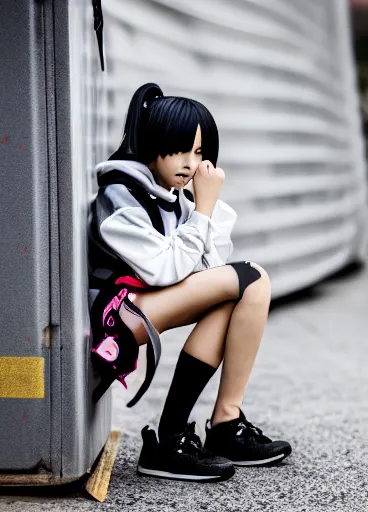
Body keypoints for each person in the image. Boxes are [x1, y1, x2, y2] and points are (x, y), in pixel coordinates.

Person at [87, 82, 292, 483]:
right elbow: (164, 271)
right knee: (251, 277)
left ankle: (218, 426)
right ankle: (184, 436)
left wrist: (203, 209)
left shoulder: (172, 198)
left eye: (199, 153)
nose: (189, 162)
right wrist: (204, 209)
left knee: (236, 294)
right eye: (180, 149)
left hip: (142, 304)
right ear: (152, 142)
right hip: (115, 315)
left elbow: (207, 268)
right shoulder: (121, 196)